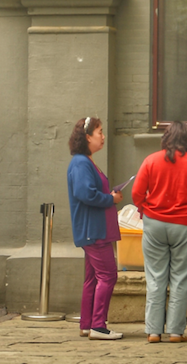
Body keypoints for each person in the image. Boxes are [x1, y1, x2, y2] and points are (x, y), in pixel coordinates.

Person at [132, 121, 187, 344]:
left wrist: (146, 208)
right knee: (181, 278)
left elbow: (137, 193)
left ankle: (153, 332)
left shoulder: (151, 160)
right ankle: (176, 332)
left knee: (155, 278)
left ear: (166, 138)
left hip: (155, 223)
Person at [66, 116, 124, 340]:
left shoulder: (84, 161)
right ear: (88, 137)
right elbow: (85, 193)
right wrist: (111, 199)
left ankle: (87, 324)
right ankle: (98, 326)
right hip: (94, 230)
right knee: (108, 275)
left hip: (93, 229)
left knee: (92, 278)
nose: (103, 136)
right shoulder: (81, 163)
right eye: (99, 132)